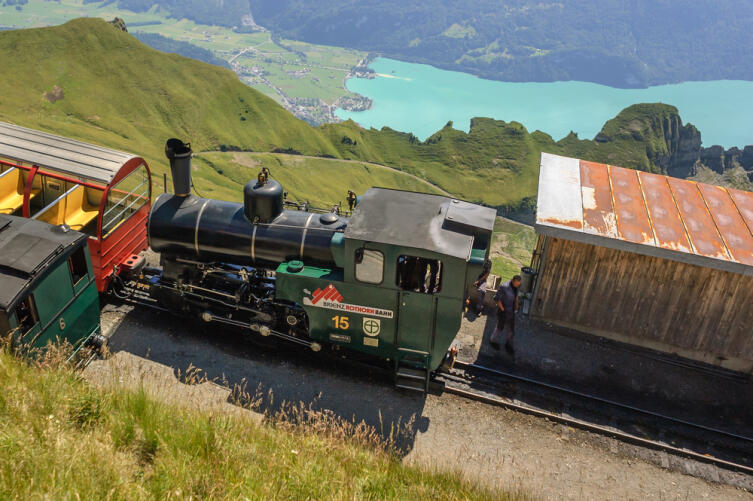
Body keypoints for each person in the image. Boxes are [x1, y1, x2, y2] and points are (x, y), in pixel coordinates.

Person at [490, 275, 521, 354]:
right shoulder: (504, 286)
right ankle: (492, 341)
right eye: (517, 284)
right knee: (499, 327)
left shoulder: (517, 286)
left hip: (512, 312)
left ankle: (508, 344)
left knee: (511, 329)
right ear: (513, 281)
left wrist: (517, 306)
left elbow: (516, 295)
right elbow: (496, 298)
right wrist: (503, 309)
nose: (518, 285)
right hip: (503, 312)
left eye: (519, 284)